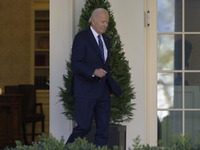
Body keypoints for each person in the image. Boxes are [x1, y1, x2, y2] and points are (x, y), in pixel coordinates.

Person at [66, 8, 122, 147]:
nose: (105, 25)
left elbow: (106, 65)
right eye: (103, 21)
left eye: (107, 22)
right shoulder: (82, 37)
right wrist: (93, 71)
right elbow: (76, 63)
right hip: (85, 91)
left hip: (103, 92)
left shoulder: (106, 39)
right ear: (93, 20)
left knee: (104, 130)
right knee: (84, 127)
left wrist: (109, 87)